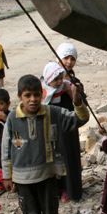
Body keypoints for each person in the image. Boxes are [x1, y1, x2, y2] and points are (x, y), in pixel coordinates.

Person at [2, 74, 89, 214]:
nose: (33, 99)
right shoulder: (12, 118)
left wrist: (77, 102)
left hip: (48, 176)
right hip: (23, 180)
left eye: (36, 95)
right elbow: (6, 148)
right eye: (27, 95)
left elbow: (81, 119)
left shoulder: (52, 113)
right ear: (20, 97)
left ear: (42, 95)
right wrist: (7, 175)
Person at [42, 62, 83, 202]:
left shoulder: (67, 86)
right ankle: (56, 189)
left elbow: (78, 106)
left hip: (66, 131)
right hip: (50, 134)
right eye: (56, 79)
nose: (59, 82)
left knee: (68, 159)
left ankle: (69, 189)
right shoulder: (42, 92)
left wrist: (72, 92)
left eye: (61, 78)